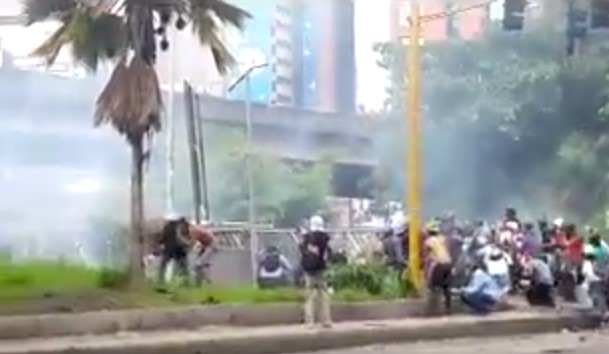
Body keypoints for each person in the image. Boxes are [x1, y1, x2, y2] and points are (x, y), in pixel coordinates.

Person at [300, 215, 332, 328]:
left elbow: (302, 250)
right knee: (323, 295)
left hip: (309, 271)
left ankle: (310, 322)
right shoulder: (325, 238)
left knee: (309, 296)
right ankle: (326, 320)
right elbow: (329, 253)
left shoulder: (306, 238)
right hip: (321, 269)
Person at [424, 220, 453, 315]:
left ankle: (433, 310)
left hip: (439, 264)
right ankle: (448, 308)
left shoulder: (428, 241)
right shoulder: (443, 239)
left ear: (429, 231)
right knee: (446, 287)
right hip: (448, 263)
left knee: (434, 286)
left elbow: (427, 256)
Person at [158, 213, 191, 284]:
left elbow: (163, 238)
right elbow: (186, 236)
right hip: (179, 249)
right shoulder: (181, 227)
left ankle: (160, 279)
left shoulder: (166, 227)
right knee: (182, 265)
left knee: (163, 264)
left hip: (168, 249)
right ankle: (186, 280)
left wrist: (160, 243)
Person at [187, 220, 217, 286]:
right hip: (207, 245)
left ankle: (205, 280)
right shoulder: (196, 228)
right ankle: (201, 280)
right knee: (200, 264)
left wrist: (187, 249)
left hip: (210, 245)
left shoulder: (193, 230)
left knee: (198, 264)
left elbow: (192, 242)